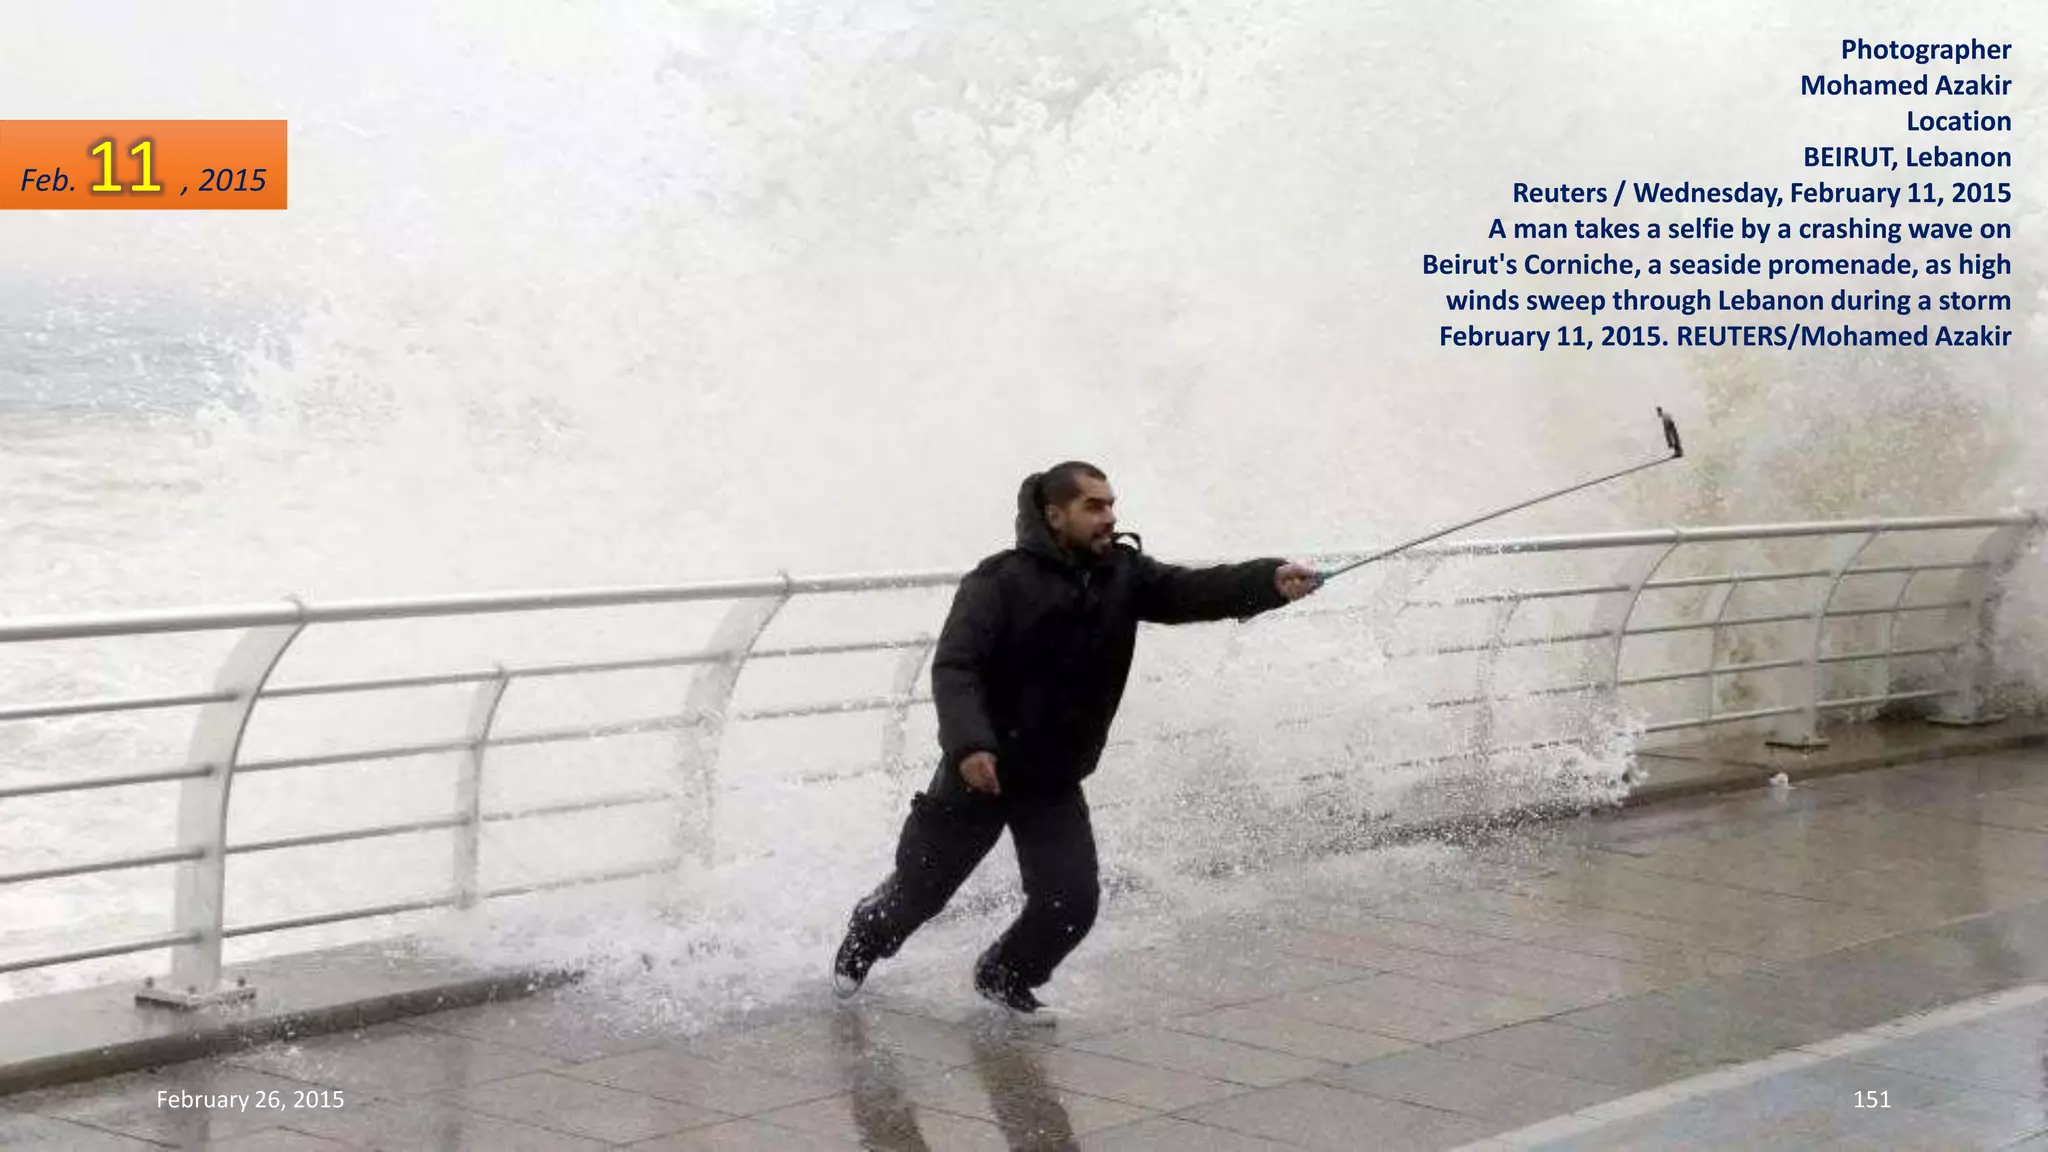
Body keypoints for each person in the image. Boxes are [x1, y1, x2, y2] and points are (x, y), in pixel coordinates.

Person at [830, 460, 1321, 1022]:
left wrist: (1267, 581)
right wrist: (970, 746)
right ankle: (864, 938)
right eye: (1095, 506)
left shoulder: (1125, 575)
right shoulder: (997, 581)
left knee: (1071, 904)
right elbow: (956, 669)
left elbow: (1193, 590)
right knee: (920, 891)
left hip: (1053, 778)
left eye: (1111, 504)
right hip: (979, 774)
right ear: (1054, 514)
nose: (1109, 517)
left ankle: (1004, 974)